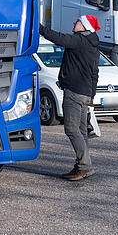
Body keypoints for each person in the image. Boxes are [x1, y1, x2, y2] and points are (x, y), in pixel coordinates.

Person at [39, 15, 100, 181]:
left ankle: (85, 166)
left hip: (73, 92)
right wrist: (91, 95)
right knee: (81, 131)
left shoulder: (80, 40)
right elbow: (95, 73)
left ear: (85, 26)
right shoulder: (93, 44)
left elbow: (59, 38)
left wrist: (40, 28)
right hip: (85, 93)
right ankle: (80, 166)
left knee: (71, 129)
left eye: (78, 21)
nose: (74, 23)